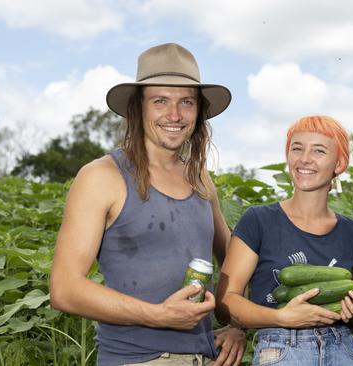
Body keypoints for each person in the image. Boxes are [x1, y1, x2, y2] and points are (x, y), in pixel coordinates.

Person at [50, 43, 246, 366]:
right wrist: (158, 315)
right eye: (160, 101)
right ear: (138, 107)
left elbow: (234, 261)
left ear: (198, 111)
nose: (174, 115)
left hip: (204, 358)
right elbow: (64, 288)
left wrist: (237, 324)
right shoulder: (102, 177)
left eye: (186, 102)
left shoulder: (200, 179)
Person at [215, 115, 353, 365]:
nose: (304, 159)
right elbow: (226, 302)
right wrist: (281, 317)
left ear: (339, 163)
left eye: (319, 150)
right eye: (296, 149)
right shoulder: (258, 220)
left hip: (342, 349)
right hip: (280, 349)